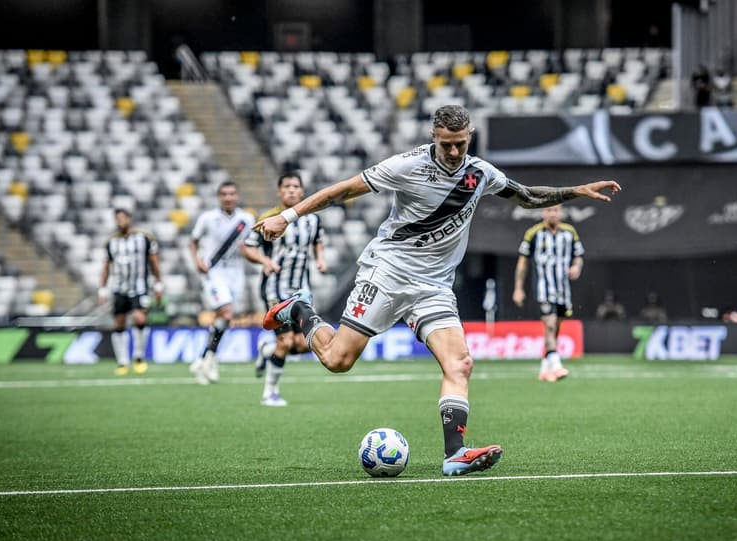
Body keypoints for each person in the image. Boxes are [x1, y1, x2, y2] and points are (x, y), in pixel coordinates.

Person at [255, 105, 621, 476]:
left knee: (460, 363)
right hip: (387, 273)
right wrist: (286, 217)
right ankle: (300, 309)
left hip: (433, 287)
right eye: (446, 145)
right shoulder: (406, 166)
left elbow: (527, 196)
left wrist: (576, 190)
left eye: (460, 144)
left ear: (469, 137)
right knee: (337, 360)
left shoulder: (480, 173)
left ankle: (454, 453)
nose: (453, 153)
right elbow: (343, 191)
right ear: (434, 137)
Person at [242, 172, 327, 407]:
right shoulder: (269, 218)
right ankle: (270, 393)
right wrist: (264, 261)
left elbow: (318, 241)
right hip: (275, 288)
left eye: (296, 186)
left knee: (301, 344)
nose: (291, 190)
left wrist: (320, 259)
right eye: (287, 186)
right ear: (279, 192)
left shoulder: (312, 219)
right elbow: (247, 247)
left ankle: (267, 350)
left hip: (302, 290)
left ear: (302, 191)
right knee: (286, 342)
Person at [188, 181, 255, 385]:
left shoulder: (247, 219)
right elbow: (193, 241)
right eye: (224, 194)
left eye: (232, 193)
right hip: (214, 272)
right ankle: (209, 358)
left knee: (224, 319)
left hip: (236, 273)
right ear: (219, 197)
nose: (228, 197)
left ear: (237, 196)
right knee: (226, 312)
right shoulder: (208, 218)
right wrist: (197, 261)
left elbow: (252, 244)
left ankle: (205, 358)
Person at [512, 204, 584, 382]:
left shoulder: (570, 232)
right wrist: (518, 288)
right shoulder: (533, 233)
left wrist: (576, 267)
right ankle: (557, 364)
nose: (552, 213)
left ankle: (545, 367)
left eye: (556, 210)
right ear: (543, 213)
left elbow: (579, 255)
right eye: (549, 210)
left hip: (563, 290)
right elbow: (523, 263)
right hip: (544, 289)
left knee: (556, 327)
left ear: (560, 212)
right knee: (550, 324)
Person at [98, 208, 163, 375]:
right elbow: (106, 266)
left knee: (139, 317)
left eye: (123, 218)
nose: (120, 221)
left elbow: (154, 262)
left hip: (140, 287)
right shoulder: (111, 242)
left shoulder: (144, 238)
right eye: (117, 218)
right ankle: (122, 361)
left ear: (129, 219)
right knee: (119, 322)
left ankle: (139, 356)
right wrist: (103, 288)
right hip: (119, 288)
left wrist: (158, 284)